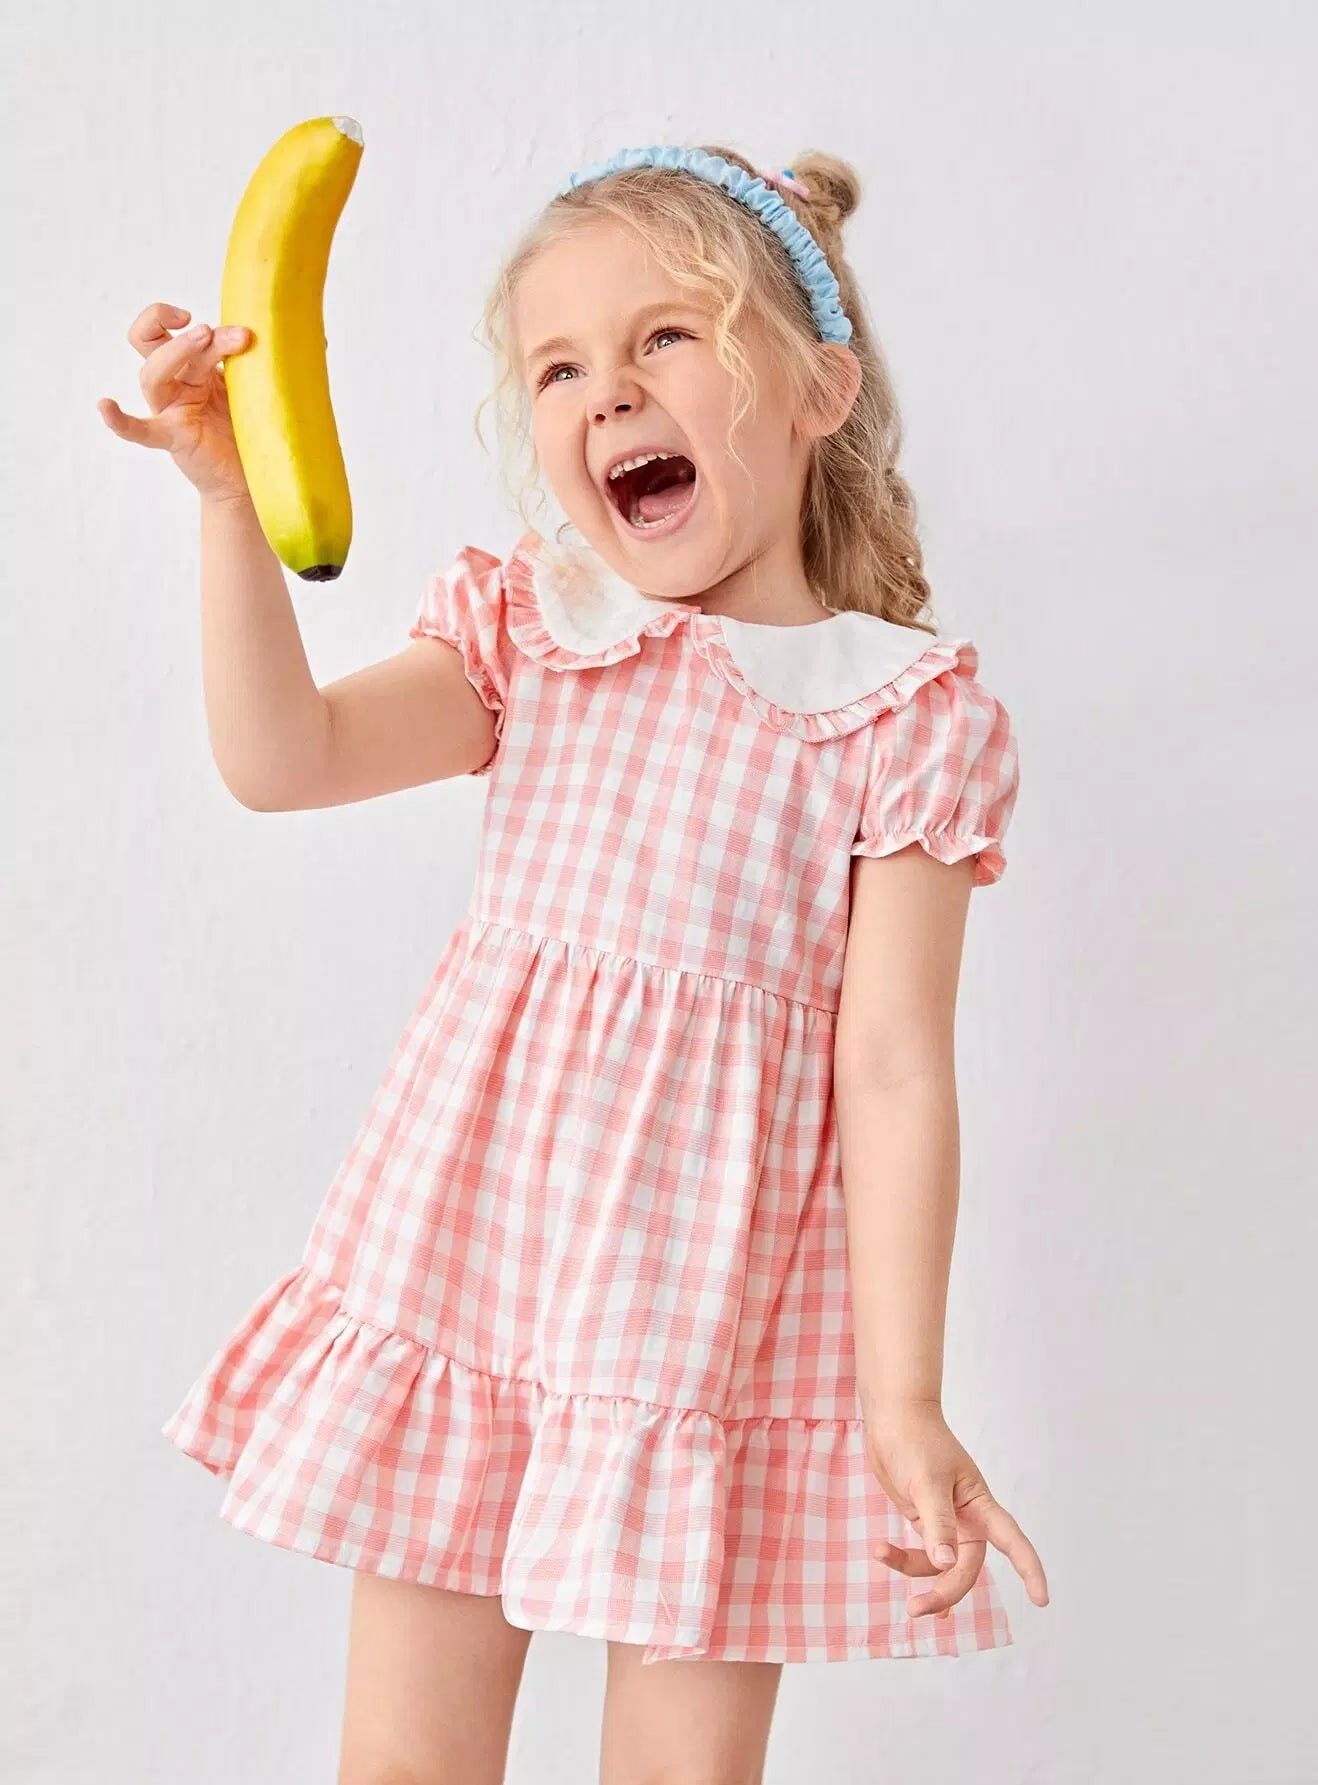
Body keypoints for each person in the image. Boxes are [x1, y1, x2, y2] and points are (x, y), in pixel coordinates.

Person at [99, 142, 1049, 1785]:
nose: (607, 389)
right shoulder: (537, 636)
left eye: (666, 338)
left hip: (719, 1330)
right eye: (558, 366)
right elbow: (284, 756)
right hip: (476, 1271)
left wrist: (904, 1398)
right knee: (408, 1763)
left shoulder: (902, 717)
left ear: (821, 391)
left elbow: (896, 1066)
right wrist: (229, 502)